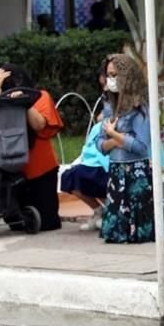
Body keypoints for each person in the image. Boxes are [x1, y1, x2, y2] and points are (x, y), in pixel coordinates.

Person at [96, 54, 164, 243]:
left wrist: (115, 135)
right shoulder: (110, 106)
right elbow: (100, 145)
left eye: (115, 75)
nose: (111, 80)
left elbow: (142, 147)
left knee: (143, 232)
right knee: (116, 233)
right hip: (117, 173)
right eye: (109, 75)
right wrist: (116, 140)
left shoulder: (140, 108)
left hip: (136, 174)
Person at [0, 63, 64, 231]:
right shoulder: (1, 100)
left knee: (46, 222)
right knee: (17, 224)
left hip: (41, 168)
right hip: (14, 167)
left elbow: (39, 125)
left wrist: (24, 102)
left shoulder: (41, 96)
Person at [60, 57, 112, 231]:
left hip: (107, 157)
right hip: (96, 152)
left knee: (88, 174)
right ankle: (98, 210)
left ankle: (108, 210)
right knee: (69, 177)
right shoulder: (106, 100)